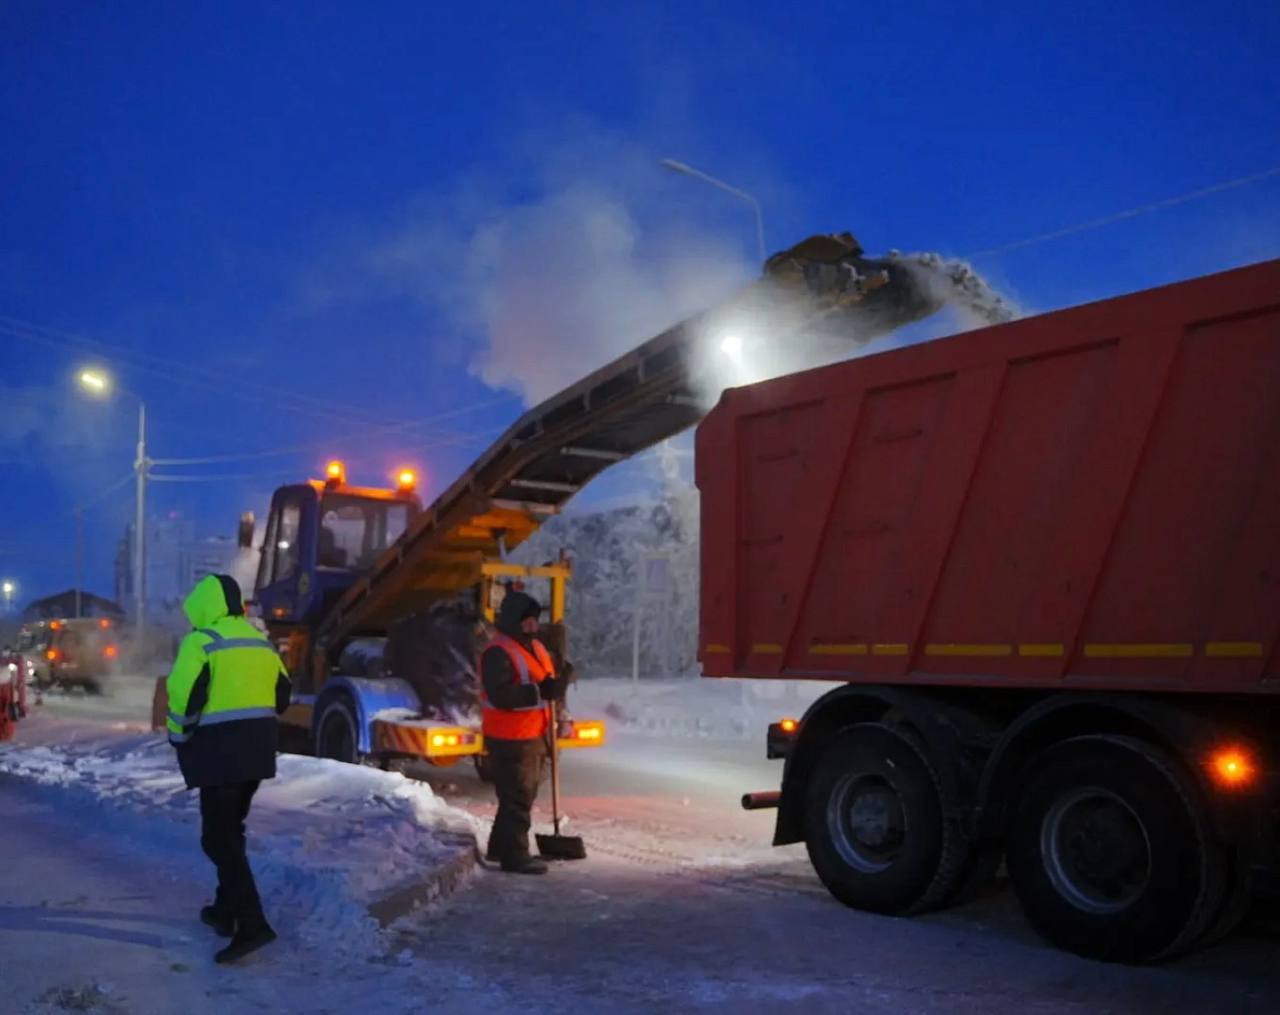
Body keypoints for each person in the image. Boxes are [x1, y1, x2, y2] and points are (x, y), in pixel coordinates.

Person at [165, 574, 291, 964]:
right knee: (230, 831)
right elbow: (282, 696)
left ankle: (252, 923)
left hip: (220, 756)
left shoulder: (201, 642)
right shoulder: (259, 641)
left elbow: (183, 698)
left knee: (217, 840)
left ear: (204, 606)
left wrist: (179, 737)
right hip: (257, 754)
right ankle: (224, 911)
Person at [479, 590, 568, 874]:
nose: (533, 625)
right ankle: (515, 856)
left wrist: (559, 681)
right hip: (510, 738)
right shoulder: (498, 652)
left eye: (534, 620)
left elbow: (546, 683)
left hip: (533, 735)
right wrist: (539, 691)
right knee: (518, 798)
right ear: (512, 620)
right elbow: (500, 695)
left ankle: (499, 847)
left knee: (516, 797)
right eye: (526, 620)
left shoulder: (536, 648)